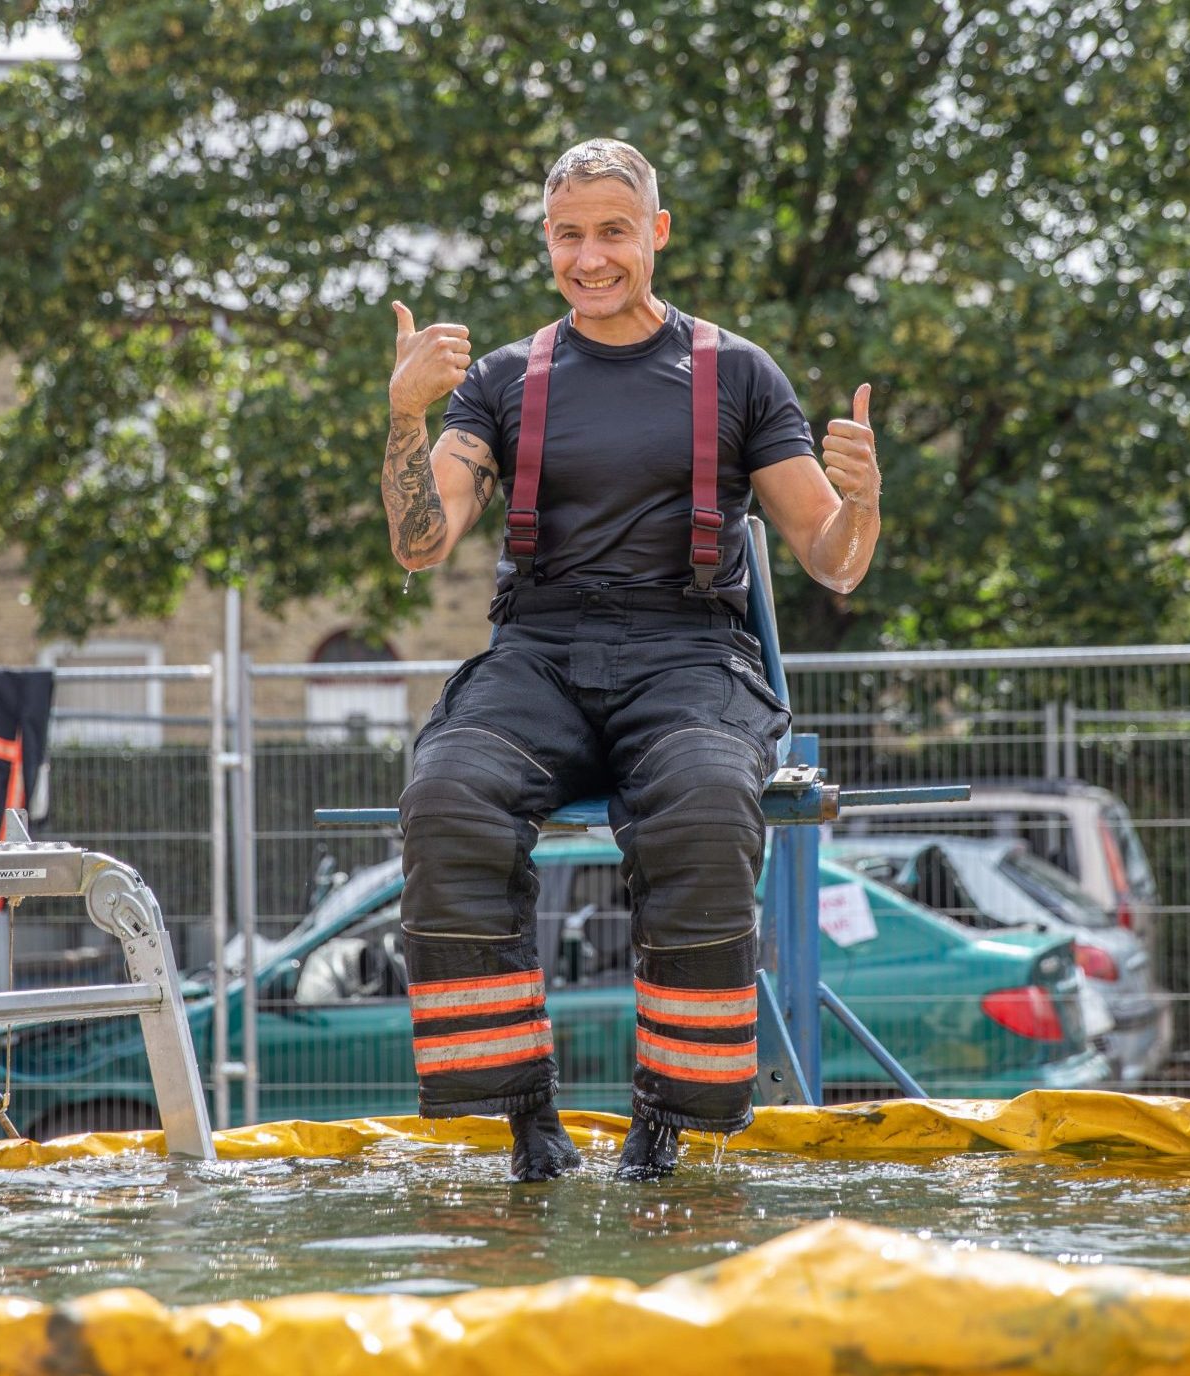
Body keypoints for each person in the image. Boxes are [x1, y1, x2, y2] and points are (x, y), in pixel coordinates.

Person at [380, 138, 881, 1181]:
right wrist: (405, 414)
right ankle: (526, 1120)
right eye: (570, 234)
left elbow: (833, 563)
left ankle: (666, 1120)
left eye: (614, 230)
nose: (591, 255)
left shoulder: (737, 371)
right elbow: (419, 542)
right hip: (540, 653)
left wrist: (863, 502)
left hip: (689, 656)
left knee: (702, 807)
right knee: (445, 797)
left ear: (655, 232)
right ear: (548, 242)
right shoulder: (502, 379)